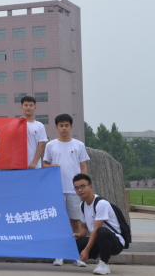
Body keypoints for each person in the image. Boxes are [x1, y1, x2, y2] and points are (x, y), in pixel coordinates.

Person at [43, 113, 90, 267]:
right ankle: (60, 254)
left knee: (75, 221)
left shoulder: (78, 145)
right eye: (61, 126)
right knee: (59, 223)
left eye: (66, 125)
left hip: (74, 190)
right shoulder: (51, 145)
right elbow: (44, 164)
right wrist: (51, 166)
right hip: (57, 189)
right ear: (56, 127)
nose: (64, 128)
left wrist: (84, 185)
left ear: (71, 127)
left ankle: (76, 255)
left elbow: (83, 166)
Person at [72, 174, 124, 275]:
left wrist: (86, 250)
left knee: (101, 231)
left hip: (115, 242)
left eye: (82, 186)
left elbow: (96, 230)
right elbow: (85, 227)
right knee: (75, 244)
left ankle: (104, 264)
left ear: (90, 187)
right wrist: (79, 234)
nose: (80, 190)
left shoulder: (101, 204)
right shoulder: (82, 205)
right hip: (99, 240)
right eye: (77, 188)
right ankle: (95, 258)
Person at [20, 96, 48, 169]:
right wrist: (18, 123)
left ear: (35, 108)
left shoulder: (39, 125)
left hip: (34, 165)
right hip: (19, 164)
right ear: (22, 107)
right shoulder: (17, 124)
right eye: (26, 105)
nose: (28, 107)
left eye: (31, 105)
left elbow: (41, 145)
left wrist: (34, 162)